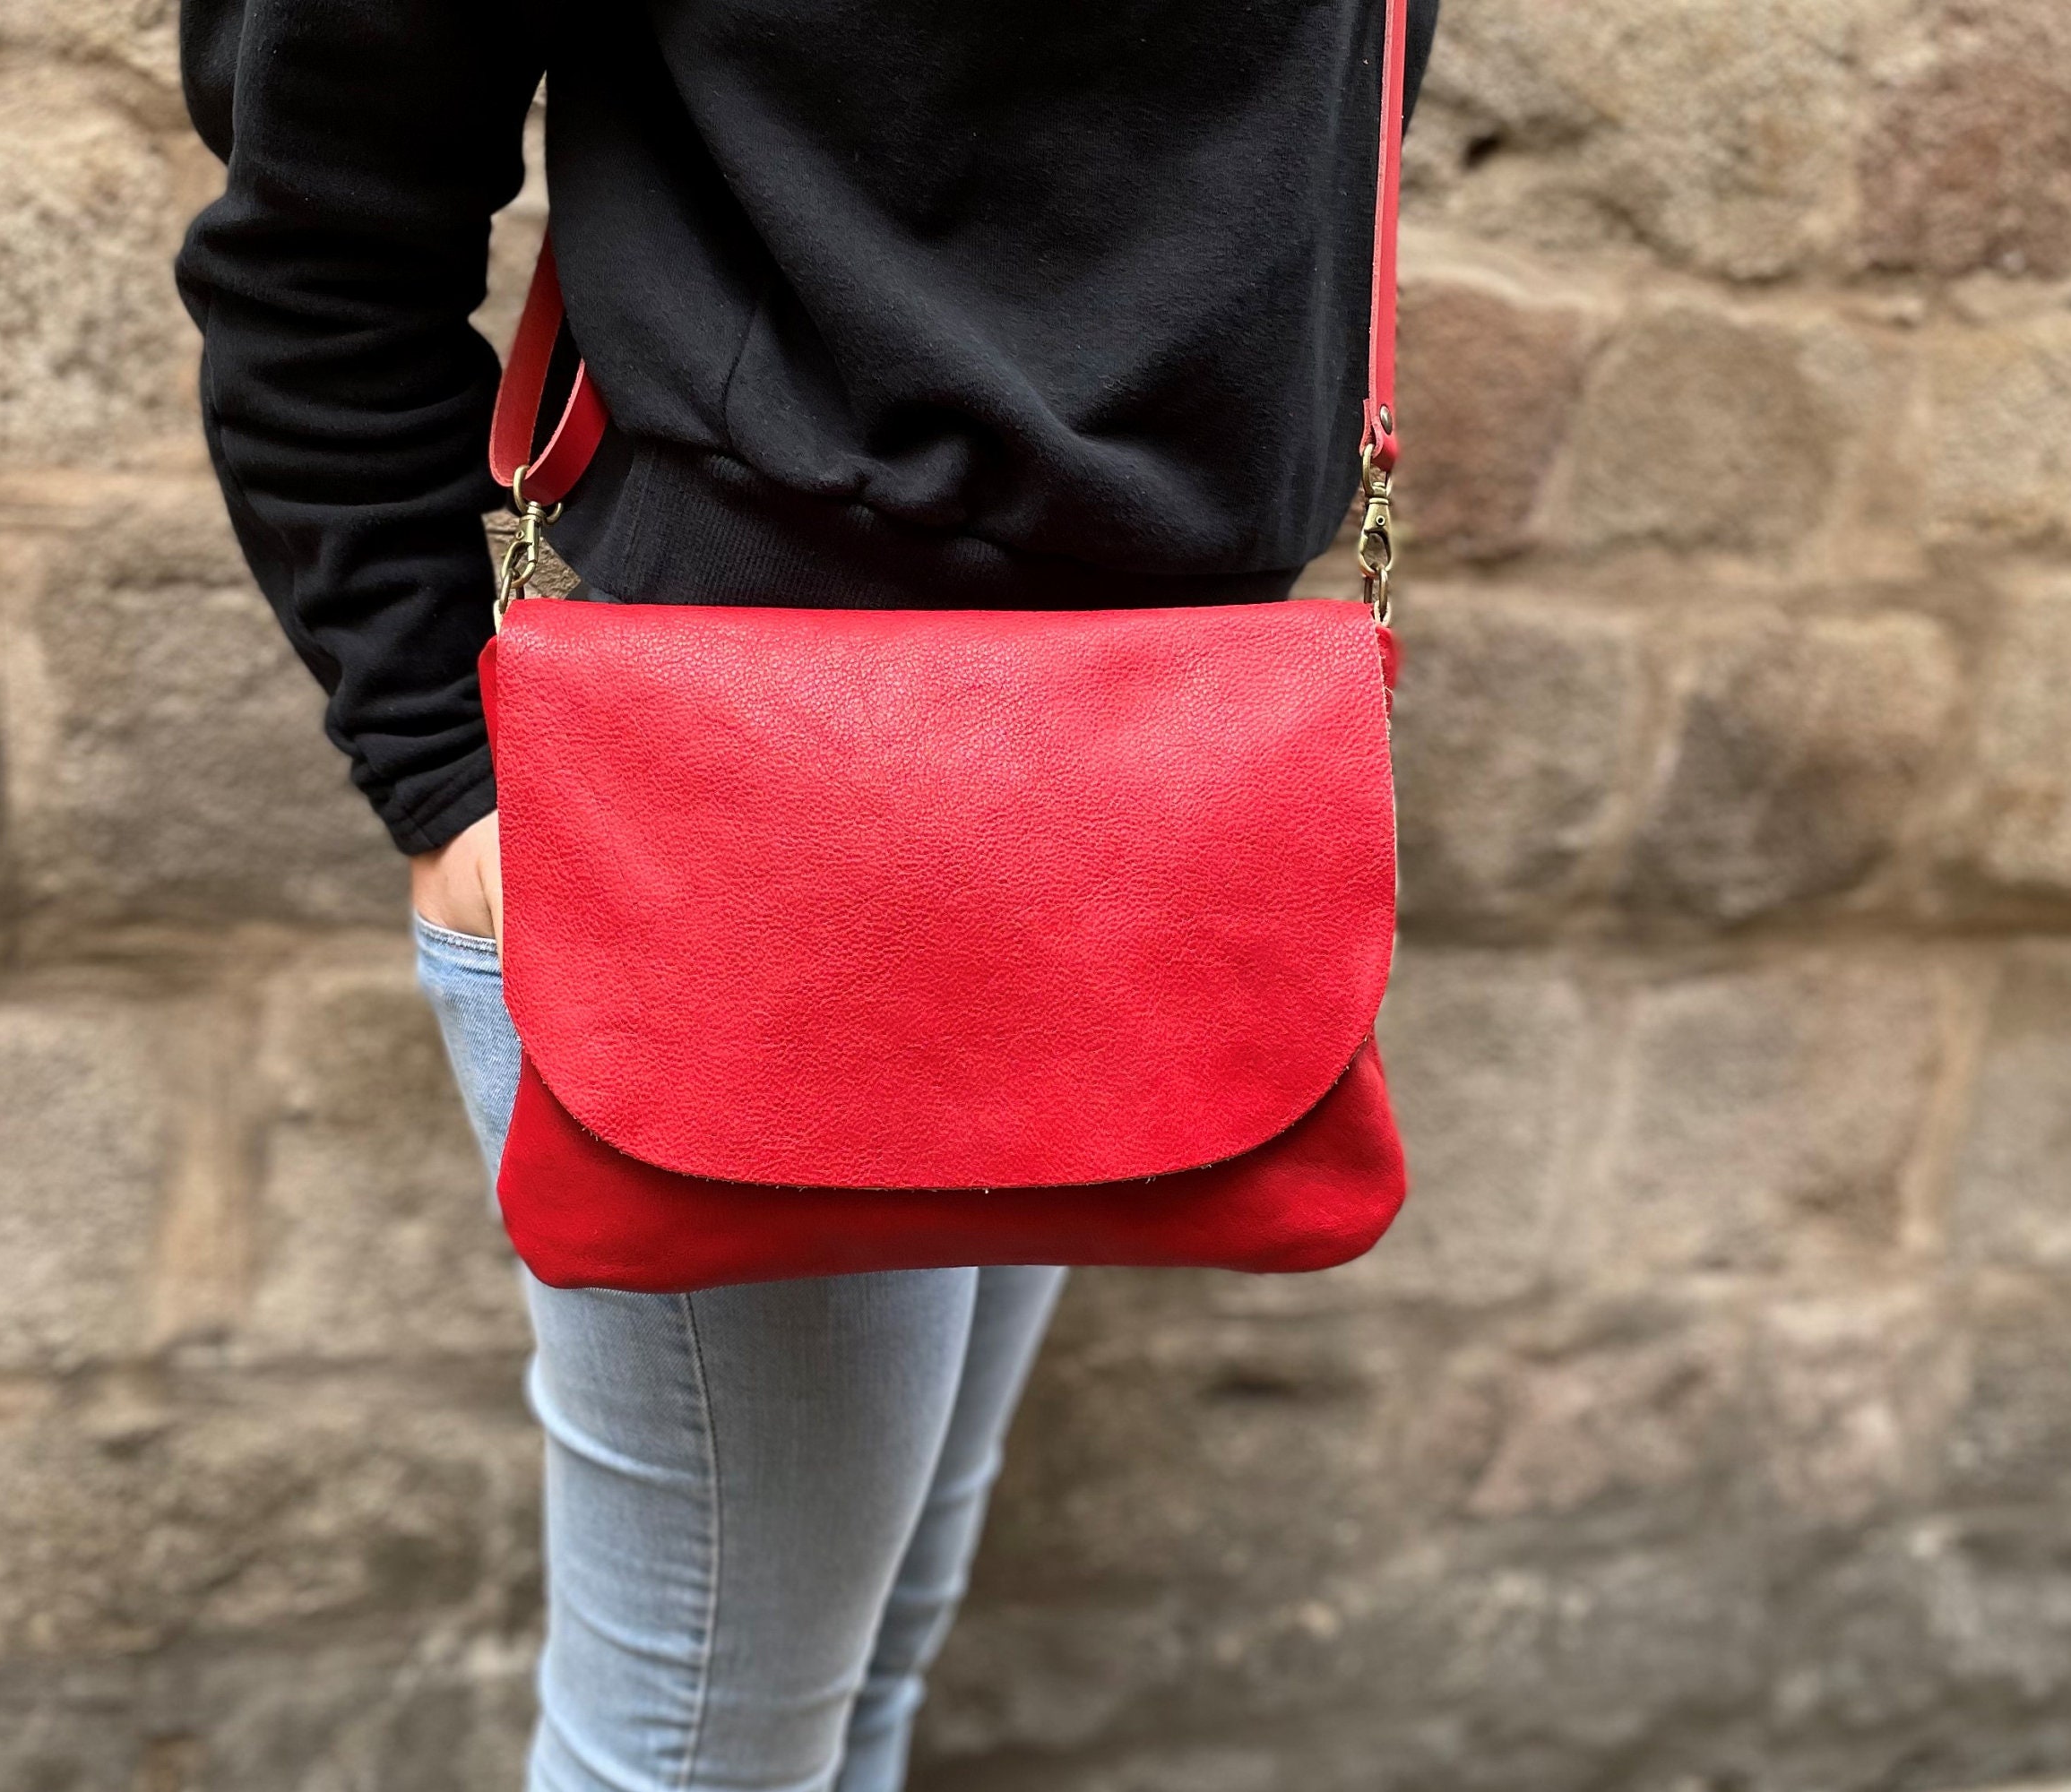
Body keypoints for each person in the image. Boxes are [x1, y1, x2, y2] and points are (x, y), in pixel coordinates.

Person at [173, 2, 1435, 1786]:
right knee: (700, 1740)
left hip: (1139, 807)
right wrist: (447, 783)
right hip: (712, 852)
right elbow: (316, 239)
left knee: (869, 1655)